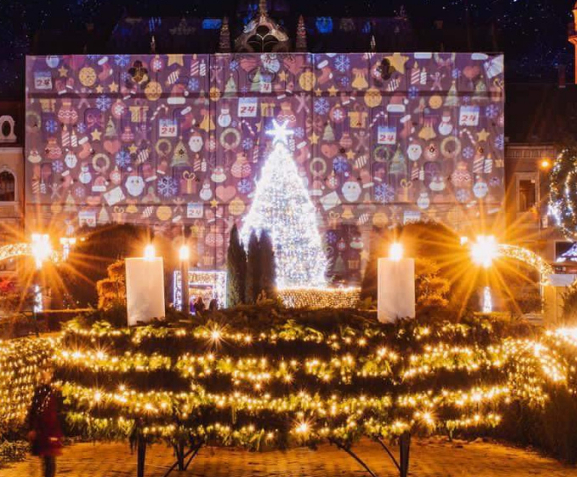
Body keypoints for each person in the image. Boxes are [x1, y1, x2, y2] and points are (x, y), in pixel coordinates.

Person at [28, 369, 63, 477]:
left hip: (48, 429)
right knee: (48, 460)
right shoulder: (42, 392)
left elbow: (54, 412)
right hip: (44, 430)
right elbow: (35, 411)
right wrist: (32, 428)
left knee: (49, 460)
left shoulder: (48, 392)